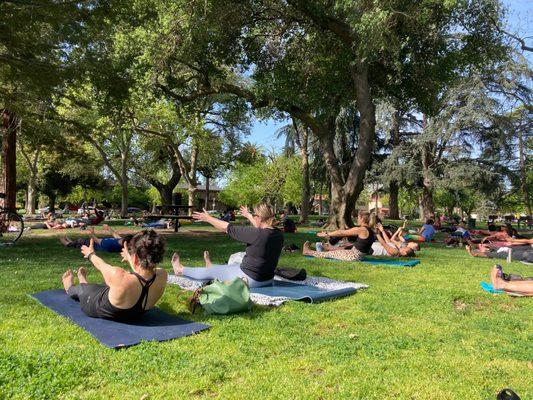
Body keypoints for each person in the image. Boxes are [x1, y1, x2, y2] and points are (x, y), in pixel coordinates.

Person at [61, 230, 167, 321]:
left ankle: (70, 286)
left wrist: (90, 254)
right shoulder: (162, 275)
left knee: (83, 289)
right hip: (136, 314)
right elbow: (143, 271)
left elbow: (100, 264)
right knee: (105, 286)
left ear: (135, 258)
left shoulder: (118, 275)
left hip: (100, 308)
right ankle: (82, 278)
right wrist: (130, 258)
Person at [172, 203, 284, 288]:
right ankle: (211, 265)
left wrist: (208, 218)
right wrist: (248, 215)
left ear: (259, 217)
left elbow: (226, 228)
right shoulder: (278, 233)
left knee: (210, 273)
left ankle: (180, 270)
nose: (253, 218)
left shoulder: (256, 234)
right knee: (231, 267)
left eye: (255, 215)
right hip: (267, 279)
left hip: (251, 279)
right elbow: (260, 225)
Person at [302, 210, 375, 261]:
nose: (357, 219)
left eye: (358, 218)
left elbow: (341, 233)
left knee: (329, 254)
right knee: (332, 252)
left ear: (362, 219)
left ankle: (307, 252)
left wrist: (327, 233)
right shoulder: (371, 230)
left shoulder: (362, 229)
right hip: (358, 256)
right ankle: (317, 249)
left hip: (353, 256)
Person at [59, 224, 133, 253]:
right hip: (94, 242)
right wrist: (109, 228)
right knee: (79, 241)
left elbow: (96, 240)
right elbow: (116, 235)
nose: (121, 238)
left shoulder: (111, 244)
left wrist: (91, 233)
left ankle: (66, 242)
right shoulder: (120, 242)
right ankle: (69, 241)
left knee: (80, 241)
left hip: (91, 244)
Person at [466, 244, 533, 263]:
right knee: (510, 249)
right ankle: (483, 251)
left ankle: (476, 253)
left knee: (508, 254)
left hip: (529, 255)